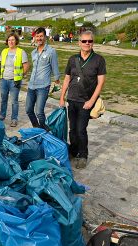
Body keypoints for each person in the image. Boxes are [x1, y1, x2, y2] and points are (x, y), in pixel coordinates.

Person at [59, 30, 106, 169]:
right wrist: (62, 97)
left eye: (89, 41)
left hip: (85, 101)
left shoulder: (98, 59)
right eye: (84, 41)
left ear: (93, 42)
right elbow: (67, 78)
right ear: (79, 42)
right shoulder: (73, 59)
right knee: (72, 129)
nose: (87, 44)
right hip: (72, 99)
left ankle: (83, 155)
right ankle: (73, 152)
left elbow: (101, 82)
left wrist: (91, 101)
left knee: (81, 130)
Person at [26, 27, 60, 130]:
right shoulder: (33, 53)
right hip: (31, 85)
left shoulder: (51, 51)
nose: (39, 38)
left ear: (45, 37)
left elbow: (55, 67)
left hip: (43, 86)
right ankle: (37, 129)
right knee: (28, 110)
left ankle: (44, 131)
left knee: (39, 112)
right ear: (35, 38)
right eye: (37, 36)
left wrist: (57, 81)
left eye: (41, 36)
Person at [0, 33, 29, 127]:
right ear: (7, 41)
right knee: (3, 99)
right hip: (4, 79)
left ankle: (14, 119)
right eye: (9, 40)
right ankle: (2, 116)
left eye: (12, 40)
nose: (11, 42)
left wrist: (20, 76)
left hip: (14, 81)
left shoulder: (21, 52)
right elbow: (1, 64)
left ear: (16, 41)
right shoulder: (4, 51)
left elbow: (26, 66)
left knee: (14, 101)